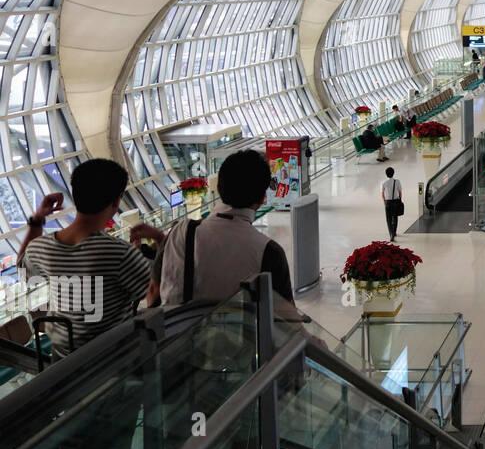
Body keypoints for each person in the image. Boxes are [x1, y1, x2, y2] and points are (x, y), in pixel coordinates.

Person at [18, 158, 151, 358]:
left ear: (75, 194)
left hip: (62, 357)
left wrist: (37, 220)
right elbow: (156, 294)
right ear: (116, 201)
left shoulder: (41, 248)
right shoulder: (121, 253)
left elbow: (22, 271)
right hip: (110, 358)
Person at [139, 150, 297, 310]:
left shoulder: (179, 232)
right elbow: (288, 319)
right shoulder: (269, 251)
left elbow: (153, 291)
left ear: (219, 189)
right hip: (235, 334)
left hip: (177, 330)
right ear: (263, 198)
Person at [381, 166, 403, 243]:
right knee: (395, 217)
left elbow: (382, 193)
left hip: (388, 202)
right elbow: (400, 192)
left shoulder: (384, 182)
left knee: (388, 218)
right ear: (393, 173)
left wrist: (384, 202)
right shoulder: (397, 181)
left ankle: (391, 234)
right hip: (396, 201)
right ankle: (394, 232)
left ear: (386, 174)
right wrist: (400, 200)